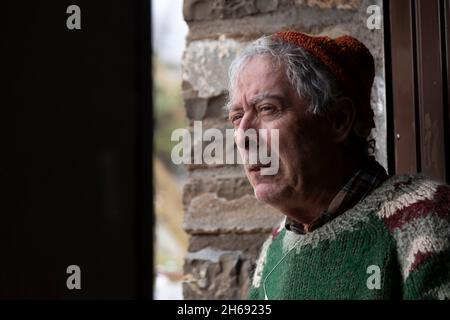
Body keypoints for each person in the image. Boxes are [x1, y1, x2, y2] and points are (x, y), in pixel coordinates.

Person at [226, 31, 450, 299]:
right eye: (237, 117)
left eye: (267, 109)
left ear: (338, 120)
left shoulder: (427, 218)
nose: (243, 135)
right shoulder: (274, 248)